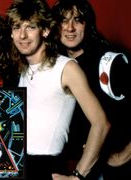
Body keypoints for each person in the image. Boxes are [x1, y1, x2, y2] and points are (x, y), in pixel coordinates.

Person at [6, 0, 111, 179]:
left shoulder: (67, 68)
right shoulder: (21, 70)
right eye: (17, 27)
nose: (22, 35)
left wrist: (78, 176)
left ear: (45, 31)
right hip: (18, 165)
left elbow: (101, 123)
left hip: (48, 167)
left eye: (30, 27)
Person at [51, 0, 131, 179]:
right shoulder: (54, 62)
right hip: (71, 165)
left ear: (87, 24)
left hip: (105, 171)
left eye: (78, 20)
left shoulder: (109, 61)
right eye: (63, 21)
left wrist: (123, 155)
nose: (70, 28)